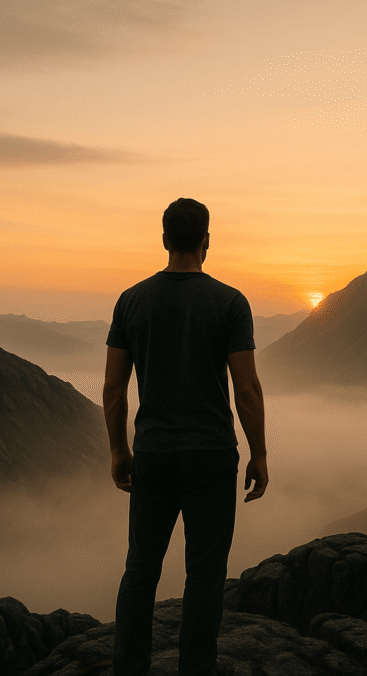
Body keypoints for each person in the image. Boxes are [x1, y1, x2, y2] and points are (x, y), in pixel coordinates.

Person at [103, 198, 269, 676]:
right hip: (211, 456)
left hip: (153, 453)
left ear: (163, 239)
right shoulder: (230, 302)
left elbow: (113, 389)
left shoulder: (131, 301)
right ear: (206, 240)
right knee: (205, 574)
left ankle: (128, 668)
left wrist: (119, 450)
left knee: (141, 569)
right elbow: (246, 388)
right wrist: (259, 454)